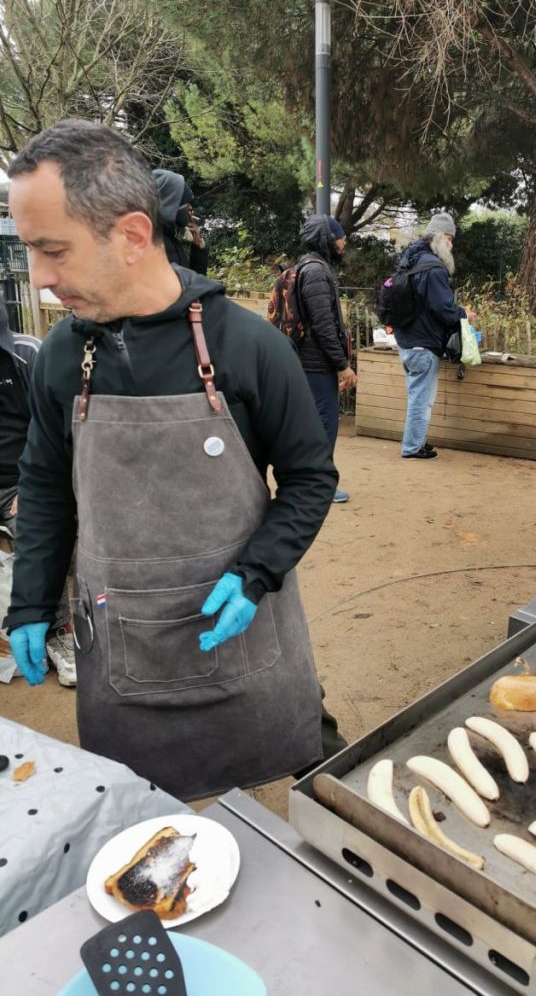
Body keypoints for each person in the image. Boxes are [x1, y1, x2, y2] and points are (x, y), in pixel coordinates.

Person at [4, 119, 342, 801]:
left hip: (242, 632)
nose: (39, 280)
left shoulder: (249, 346)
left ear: (131, 234)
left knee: (306, 790)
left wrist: (258, 570)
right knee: (144, 822)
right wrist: (31, 600)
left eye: (52, 250)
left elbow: (310, 479)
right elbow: (44, 486)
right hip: (123, 655)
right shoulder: (64, 358)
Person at [0, 300, 76, 686]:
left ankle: (61, 633)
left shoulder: (29, 353)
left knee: (43, 526)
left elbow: (51, 433)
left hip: (21, 479)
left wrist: (30, 488)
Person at [393, 212, 475, 459]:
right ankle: (412, 447)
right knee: (422, 399)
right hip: (423, 344)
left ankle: (418, 440)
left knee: (416, 394)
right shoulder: (434, 268)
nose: (451, 245)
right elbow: (443, 308)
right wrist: (465, 313)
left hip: (406, 340)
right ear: (441, 237)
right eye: (450, 239)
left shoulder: (409, 260)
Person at [296, 214, 356, 503]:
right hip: (315, 363)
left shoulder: (310, 267)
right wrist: (342, 365)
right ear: (327, 238)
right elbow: (323, 324)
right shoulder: (317, 271)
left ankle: (309, 483)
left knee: (315, 423)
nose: (344, 241)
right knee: (325, 424)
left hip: (310, 361)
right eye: (341, 236)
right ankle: (320, 486)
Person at [152, 168, 208, 275]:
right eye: (185, 202)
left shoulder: (171, 237)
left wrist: (198, 248)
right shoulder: (154, 246)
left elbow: (192, 284)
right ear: (170, 204)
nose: (191, 209)